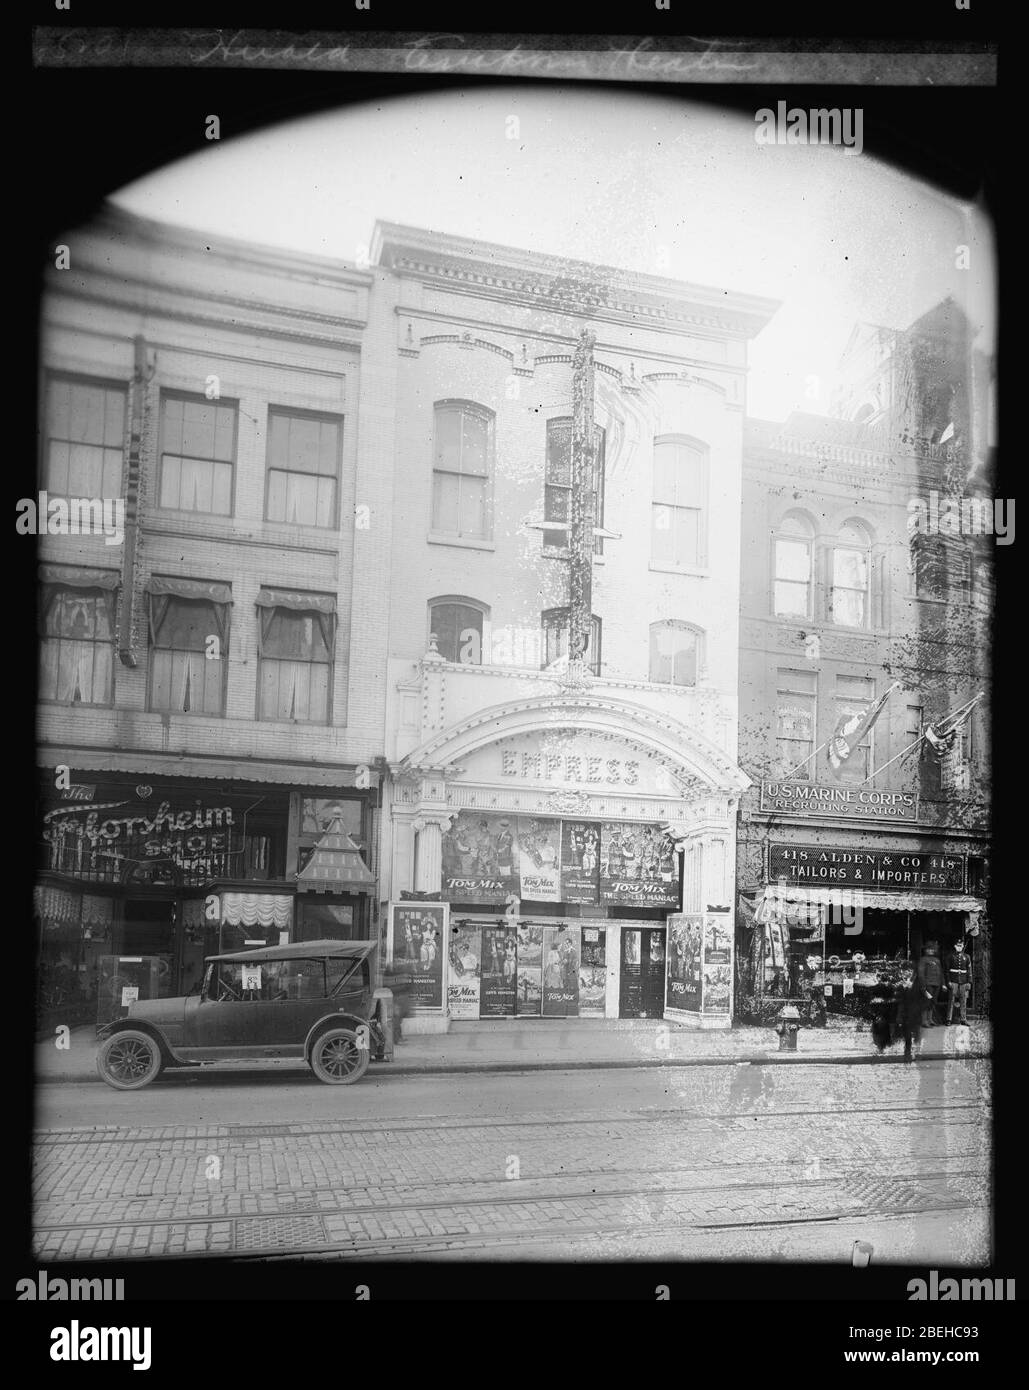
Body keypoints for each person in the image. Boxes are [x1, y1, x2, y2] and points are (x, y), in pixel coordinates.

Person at [893, 961, 923, 1062]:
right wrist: (903, 987)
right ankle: (908, 1054)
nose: (907, 973)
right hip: (905, 1014)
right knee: (907, 1036)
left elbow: (924, 997)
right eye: (905, 971)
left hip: (916, 1013)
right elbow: (898, 999)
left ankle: (916, 1052)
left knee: (917, 1035)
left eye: (910, 971)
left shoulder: (918, 984)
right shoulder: (900, 984)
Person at [945, 937, 973, 1024]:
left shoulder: (967, 957)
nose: (959, 947)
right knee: (951, 1000)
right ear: (955, 946)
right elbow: (946, 971)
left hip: (964, 981)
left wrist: (969, 982)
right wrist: (948, 981)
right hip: (953, 981)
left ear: (963, 946)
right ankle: (948, 1019)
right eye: (958, 945)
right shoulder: (950, 956)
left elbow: (969, 970)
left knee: (963, 1000)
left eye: (961, 946)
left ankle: (963, 1019)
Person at [917, 944, 945, 1027]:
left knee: (933, 1003)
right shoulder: (923, 959)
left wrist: (943, 984)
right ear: (925, 950)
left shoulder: (937, 960)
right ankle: (924, 1021)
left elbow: (941, 973)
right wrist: (923, 986)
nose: (930, 951)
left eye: (932, 949)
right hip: (928, 984)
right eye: (929, 949)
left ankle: (930, 1020)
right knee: (926, 1003)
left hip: (937, 984)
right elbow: (921, 973)